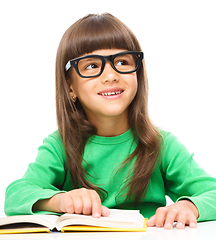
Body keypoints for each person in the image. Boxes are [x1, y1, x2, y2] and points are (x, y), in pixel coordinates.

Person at [4, 13, 216, 230]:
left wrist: (190, 206)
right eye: (91, 66)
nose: (110, 75)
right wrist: (60, 200)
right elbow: (16, 194)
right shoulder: (60, 145)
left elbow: (213, 191)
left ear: (138, 74)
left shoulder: (161, 144)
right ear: (70, 87)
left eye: (122, 62)